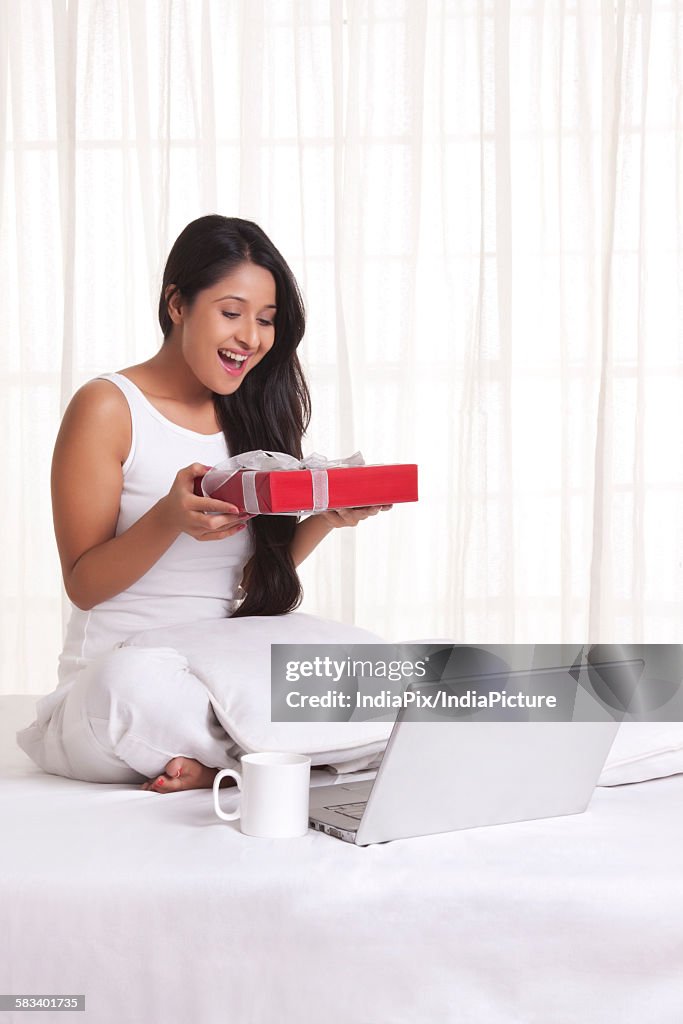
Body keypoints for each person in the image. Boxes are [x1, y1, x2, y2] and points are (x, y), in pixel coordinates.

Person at [16, 215, 390, 793]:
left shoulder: (254, 412)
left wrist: (321, 520)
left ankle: (234, 762)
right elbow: (84, 584)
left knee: (366, 661)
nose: (252, 337)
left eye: (266, 321)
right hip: (119, 682)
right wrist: (168, 519)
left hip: (220, 664)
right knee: (131, 686)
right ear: (177, 304)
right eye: (232, 312)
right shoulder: (108, 408)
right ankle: (301, 757)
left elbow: (248, 577)